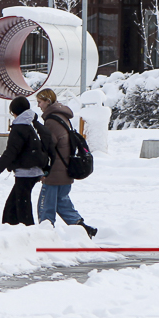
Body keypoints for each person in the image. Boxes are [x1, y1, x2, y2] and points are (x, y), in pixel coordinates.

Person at [34, 88, 97, 237]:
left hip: (55, 170)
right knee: (62, 202)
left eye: (40, 102)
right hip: (66, 167)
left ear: (47, 101)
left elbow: (49, 145)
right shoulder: (63, 117)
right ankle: (82, 228)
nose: (38, 105)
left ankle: (46, 234)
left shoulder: (51, 121)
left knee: (45, 207)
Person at [0, 95, 45, 225]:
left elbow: (11, 152)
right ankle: (10, 228)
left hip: (25, 172)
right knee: (13, 204)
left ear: (15, 112)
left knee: (22, 205)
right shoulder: (30, 125)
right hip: (33, 170)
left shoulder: (19, 127)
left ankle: (27, 231)